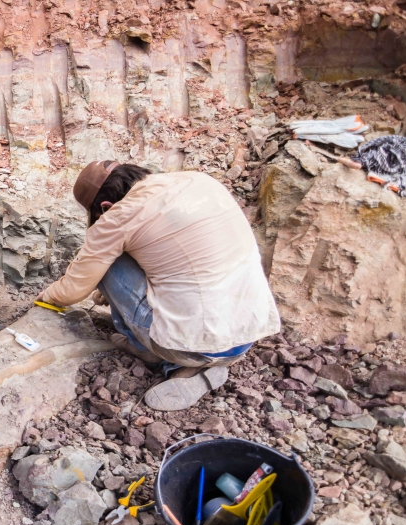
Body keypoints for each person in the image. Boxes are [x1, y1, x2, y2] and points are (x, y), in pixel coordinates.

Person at [38, 161, 281, 411]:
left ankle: (153, 350)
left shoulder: (118, 217)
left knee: (106, 260)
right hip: (246, 334)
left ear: (105, 207)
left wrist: (46, 297)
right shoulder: (199, 181)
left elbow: (73, 290)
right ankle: (201, 361)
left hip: (195, 348)